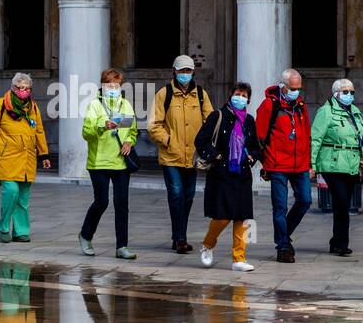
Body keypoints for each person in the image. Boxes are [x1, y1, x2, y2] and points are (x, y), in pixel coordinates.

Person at [195, 82, 262, 272]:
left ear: (248, 99)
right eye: (237, 94)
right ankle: (208, 245)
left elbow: (256, 146)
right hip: (221, 173)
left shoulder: (249, 120)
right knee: (222, 217)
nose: (240, 98)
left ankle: (239, 258)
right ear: (230, 96)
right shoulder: (218, 116)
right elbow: (200, 140)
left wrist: (252, 157)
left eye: (244, 95)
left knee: (242, 217)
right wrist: (215, 155)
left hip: (242, 174)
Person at [148, 54, 212, 254]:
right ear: (174, 71)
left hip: (192, 156)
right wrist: (167, 141)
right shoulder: (164, 94)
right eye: (181, 70)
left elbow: (210, 121)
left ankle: (179, 235)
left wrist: (204, 145)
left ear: (193, 72)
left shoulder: (200, 94)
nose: (185, 74)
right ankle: (180, 239)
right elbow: (153, 124)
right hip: (171, 155)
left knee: (189, 196)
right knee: (176, 194)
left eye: (188, 70)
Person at [0, 72, 51, 242]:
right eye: (20, 88)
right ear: (13, 88)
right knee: (11, 192)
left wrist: (44, 154)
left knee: (23, 198)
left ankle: (21, 232)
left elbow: (39, 131)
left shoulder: (33, 107)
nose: (23, 91)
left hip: (27, 158)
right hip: (6, 157)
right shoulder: (1, 104)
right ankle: (3, 227)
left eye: (26, 88)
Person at [79, 68, 138, 260]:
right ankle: (86, 235)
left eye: (116, 85)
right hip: (99, 163)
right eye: (109, 85)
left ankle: (122, 246)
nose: (113, 88)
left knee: (122, 204)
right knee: (101, 202)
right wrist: (103, 126)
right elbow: (86, 133)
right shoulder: (95, 106)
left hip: (120, 163)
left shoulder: (125, 105)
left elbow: (132, 130)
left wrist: (130, 141)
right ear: (102, 86)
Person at [255, 69, 312, 263]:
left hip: (300, 164)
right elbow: (260, 138)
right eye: (293, 88)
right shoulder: (269, 105)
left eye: (299, 88)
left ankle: (283, 235)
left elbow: (307, 134)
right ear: (283, 85)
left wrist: (310, 162)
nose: (296, 91)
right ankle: (283, 246)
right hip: (277, 164)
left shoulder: (301, 105)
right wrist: (265, 165)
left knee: (305, 201)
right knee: (279, 207)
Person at [309, 77, 363, 258]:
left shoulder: (355, 113)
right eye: (345, 92)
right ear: (336, 93)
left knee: (345, 204)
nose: (349, 95)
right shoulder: (326, 112)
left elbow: (361, 139)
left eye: (352, 92)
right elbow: (316, 139)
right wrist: (311, 164)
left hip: (351, 163)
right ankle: (340, 243)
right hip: (332, 163)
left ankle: (338, 241)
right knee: (341, 202)